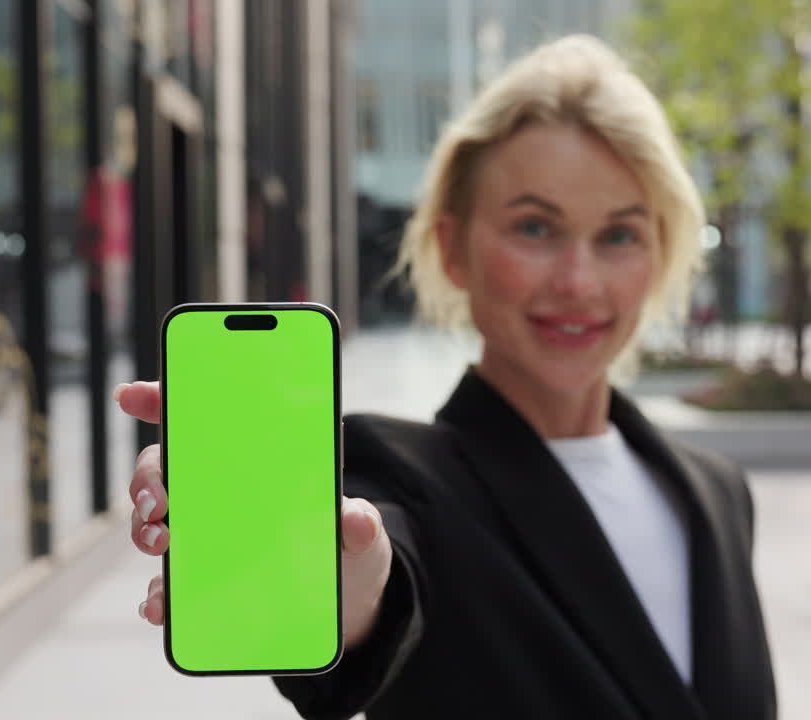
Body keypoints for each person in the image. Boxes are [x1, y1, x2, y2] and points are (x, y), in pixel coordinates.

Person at [116, 34, 776, 719]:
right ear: (451, 248)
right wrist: (345, 588)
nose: (579, 282)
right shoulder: (397, 472)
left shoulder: (716, 490)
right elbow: (378, 572)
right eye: (535, 229)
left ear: (660, 253)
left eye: (618, 236)